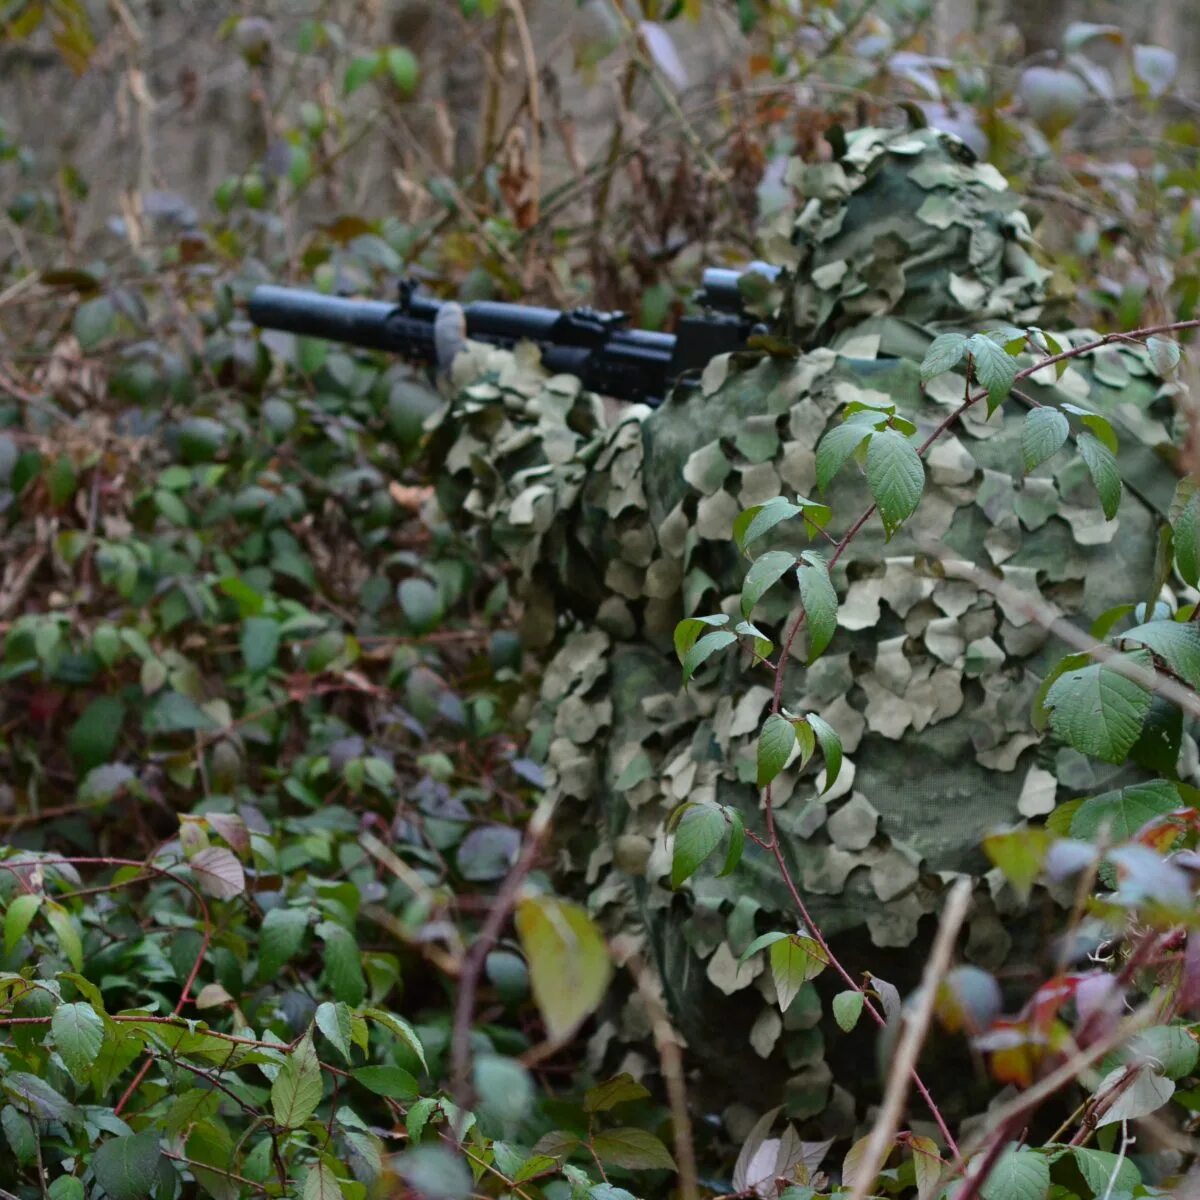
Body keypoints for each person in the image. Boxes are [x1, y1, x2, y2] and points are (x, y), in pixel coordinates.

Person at [426, 124, 1184, 1129]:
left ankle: (641, 1056)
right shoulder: (1155, 409)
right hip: (1078, 992)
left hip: (780, 1006)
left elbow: (547, 533)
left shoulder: (754, 409)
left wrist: (491, 397)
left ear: (827, 263)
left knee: (615, 643)